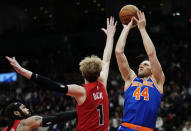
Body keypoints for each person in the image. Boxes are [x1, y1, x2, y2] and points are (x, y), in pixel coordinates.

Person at [6, 16, 117, 131]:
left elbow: (51, 84)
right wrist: (110, 37)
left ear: (82, 73)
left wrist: (22, 71)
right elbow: (107, 59)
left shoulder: (81, 91)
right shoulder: (102, 83)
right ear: (99, 73)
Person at [115, 11, 165, 131]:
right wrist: (126, 29)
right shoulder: (130, 79)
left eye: (145, 64)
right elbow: (118, 52)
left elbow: (151, 54)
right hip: (126, 127)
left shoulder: (157, 80)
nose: (141, 66)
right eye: (140, 64)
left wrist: (142, 29)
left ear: (153, 69)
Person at [2, 102, 76, 131]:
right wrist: (77, 113)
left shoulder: (5, 129)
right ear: (16, 113)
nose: (27, 109)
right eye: (23, 108)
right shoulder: (26, 122)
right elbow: (56, 118)